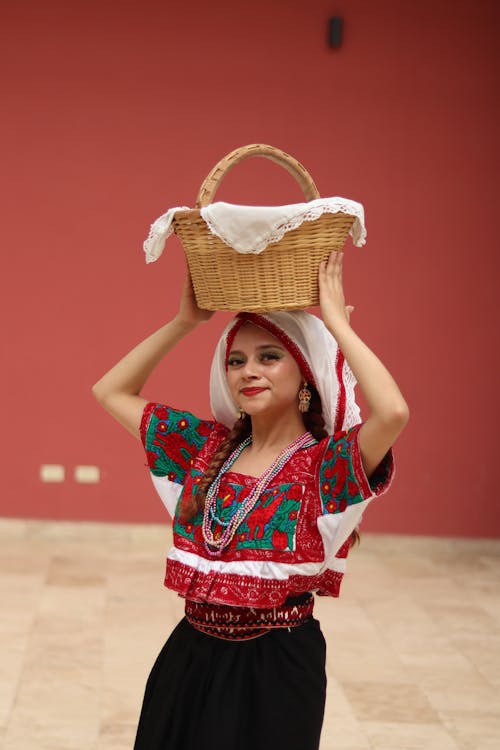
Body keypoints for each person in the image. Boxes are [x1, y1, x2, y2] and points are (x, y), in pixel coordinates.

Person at [92, 250, 409, 750]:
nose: (248, 371)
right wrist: (183, 322)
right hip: (189, 655)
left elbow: (392, 413)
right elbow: (110, 391)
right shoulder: (205, 449)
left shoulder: (325, 467)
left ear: (305, 373)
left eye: (269, 356)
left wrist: (334, 329)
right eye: (236, 361)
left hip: (276, 668)